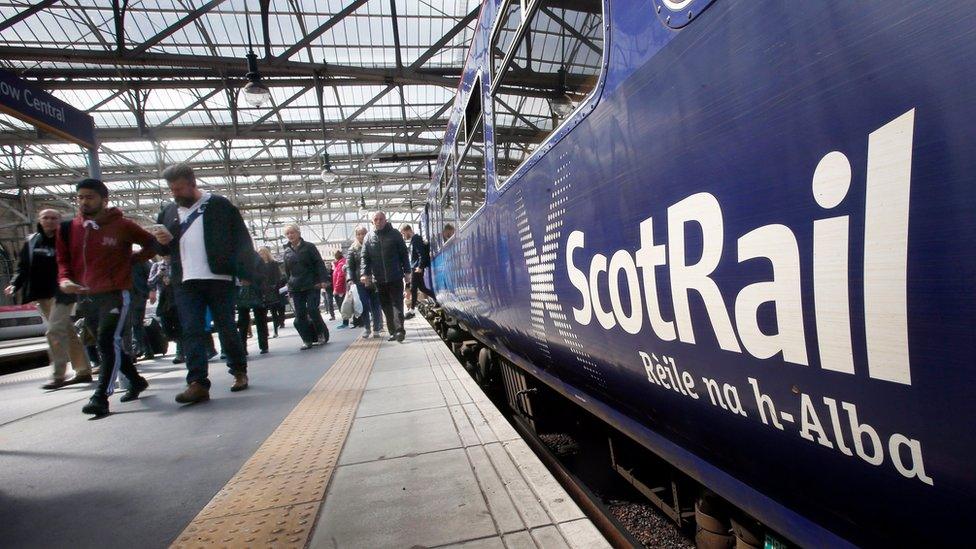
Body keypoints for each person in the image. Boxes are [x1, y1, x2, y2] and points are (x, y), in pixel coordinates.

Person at [154, 163, 254, 404]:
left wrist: (246, 271)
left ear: (192, 183)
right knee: (191, 330)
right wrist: (161, 241)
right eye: (171, 190)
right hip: (185, 280)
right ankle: (197, 382)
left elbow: (241, 238)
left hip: (219, 278)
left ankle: (239, 371)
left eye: (179, 189)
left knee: (226, 326)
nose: (175, 194)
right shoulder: (168, 212)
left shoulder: (219, 205)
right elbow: (161, 249)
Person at [56, 179, 156, 416]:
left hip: (116, 294)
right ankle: (136, 380)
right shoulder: (68, 229)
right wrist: (65, 280)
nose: (83, 201)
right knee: (108, 343)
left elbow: (151, 245)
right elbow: (62, 260)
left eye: (89, 197)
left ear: (104, 199)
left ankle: (101, 396)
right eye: (80, 197)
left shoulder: (122, 225)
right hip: (86, 297)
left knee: (106, 341)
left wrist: (130, 261)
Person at [5, 208, 92, 389]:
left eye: (54, 218)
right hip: (41, 293)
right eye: (46, 218)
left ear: (60, 220)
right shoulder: (31, 241)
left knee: (53, 330)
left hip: (63, 291)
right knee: (65, 331)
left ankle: (57, 375)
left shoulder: (66, 240)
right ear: (40, 220)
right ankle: (83, 371)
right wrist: (14, 284)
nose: (50, 221)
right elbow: (22, 268)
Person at [362, 211, 410, 342]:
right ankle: (392, 331)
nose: (378, 221)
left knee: (397, 303)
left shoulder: (395, 234)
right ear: (372, 222)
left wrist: (407, 272)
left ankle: (400, 330)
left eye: (381, 219)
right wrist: (365, 274)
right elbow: (365, 258)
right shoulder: (368, 238)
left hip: (395, 275)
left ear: (385, 220)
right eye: (376, 219)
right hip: (379, 278)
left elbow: (404, 254)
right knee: (385, 305)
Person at [282, 224, 329, 350]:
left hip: (311, 284)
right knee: (300, 314)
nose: (290, 235)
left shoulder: (309, 247)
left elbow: (319, 263)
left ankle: (320, 334)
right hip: (296, 287)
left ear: (298, 233)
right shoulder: (286, 251)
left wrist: (323, 279)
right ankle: (306, 339)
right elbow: (287, 271)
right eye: (288, 234)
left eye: (292, 232)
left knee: (313, 310)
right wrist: (289, 285)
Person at [346, 225, 382, 338]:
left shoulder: (373, 244)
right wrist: (350, 279)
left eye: (363, 233)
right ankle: (367, 327)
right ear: (356, 235)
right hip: (359, 281)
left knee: (376, 304)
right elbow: (349, 266)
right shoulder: (352, 249)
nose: (361, 236)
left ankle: (376, 328)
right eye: (359, 234)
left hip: (374, 279)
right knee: (364, 305)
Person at [400, 224, 437, 319]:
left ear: (408, 230)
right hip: (416, 267)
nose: (404, 236)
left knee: (413, 289)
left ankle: (412, 311)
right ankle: (437, 299)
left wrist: (420, 267)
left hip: (416, 268)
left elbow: (422, 254)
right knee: (422, 288)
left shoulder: (416, 239)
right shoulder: (414, 240)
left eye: (403, 234)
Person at [236, 250, 270, 355]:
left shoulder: (257, 258)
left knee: (260, 319)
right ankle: (243, 347)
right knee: (242, 321)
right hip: (242, 292)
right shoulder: (235, 257)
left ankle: (263, 346)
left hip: (256, 291)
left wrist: (249, 278)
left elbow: (263, 276)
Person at [257, 247, 285, 337]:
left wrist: (275, 286)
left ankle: (275, 331)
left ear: (266, 254)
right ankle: (266, 332)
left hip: (272, 290)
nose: (261, 255)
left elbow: (278, 276)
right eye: (260, 253)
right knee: (263, 313)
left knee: (273, 311)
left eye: (262, 253)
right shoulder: (257, 265)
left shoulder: (273, 264)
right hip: (262, 290)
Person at [129, 258, 153, 361]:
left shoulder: (139, 258)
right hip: (128, 295)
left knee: (136, 322)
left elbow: (150, 274)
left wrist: (151, 290)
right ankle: (146, 350)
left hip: (138, 294)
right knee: (136, 323)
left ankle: (140, 349)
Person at [332, 250, 348, 329]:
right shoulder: (340, 264)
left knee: (342, 306)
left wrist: (336, 289)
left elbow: (340, 277)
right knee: (344, 306)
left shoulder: (341, 264)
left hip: (341, 289)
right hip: (342, 288)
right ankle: (347, 321)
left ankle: (345, 322)